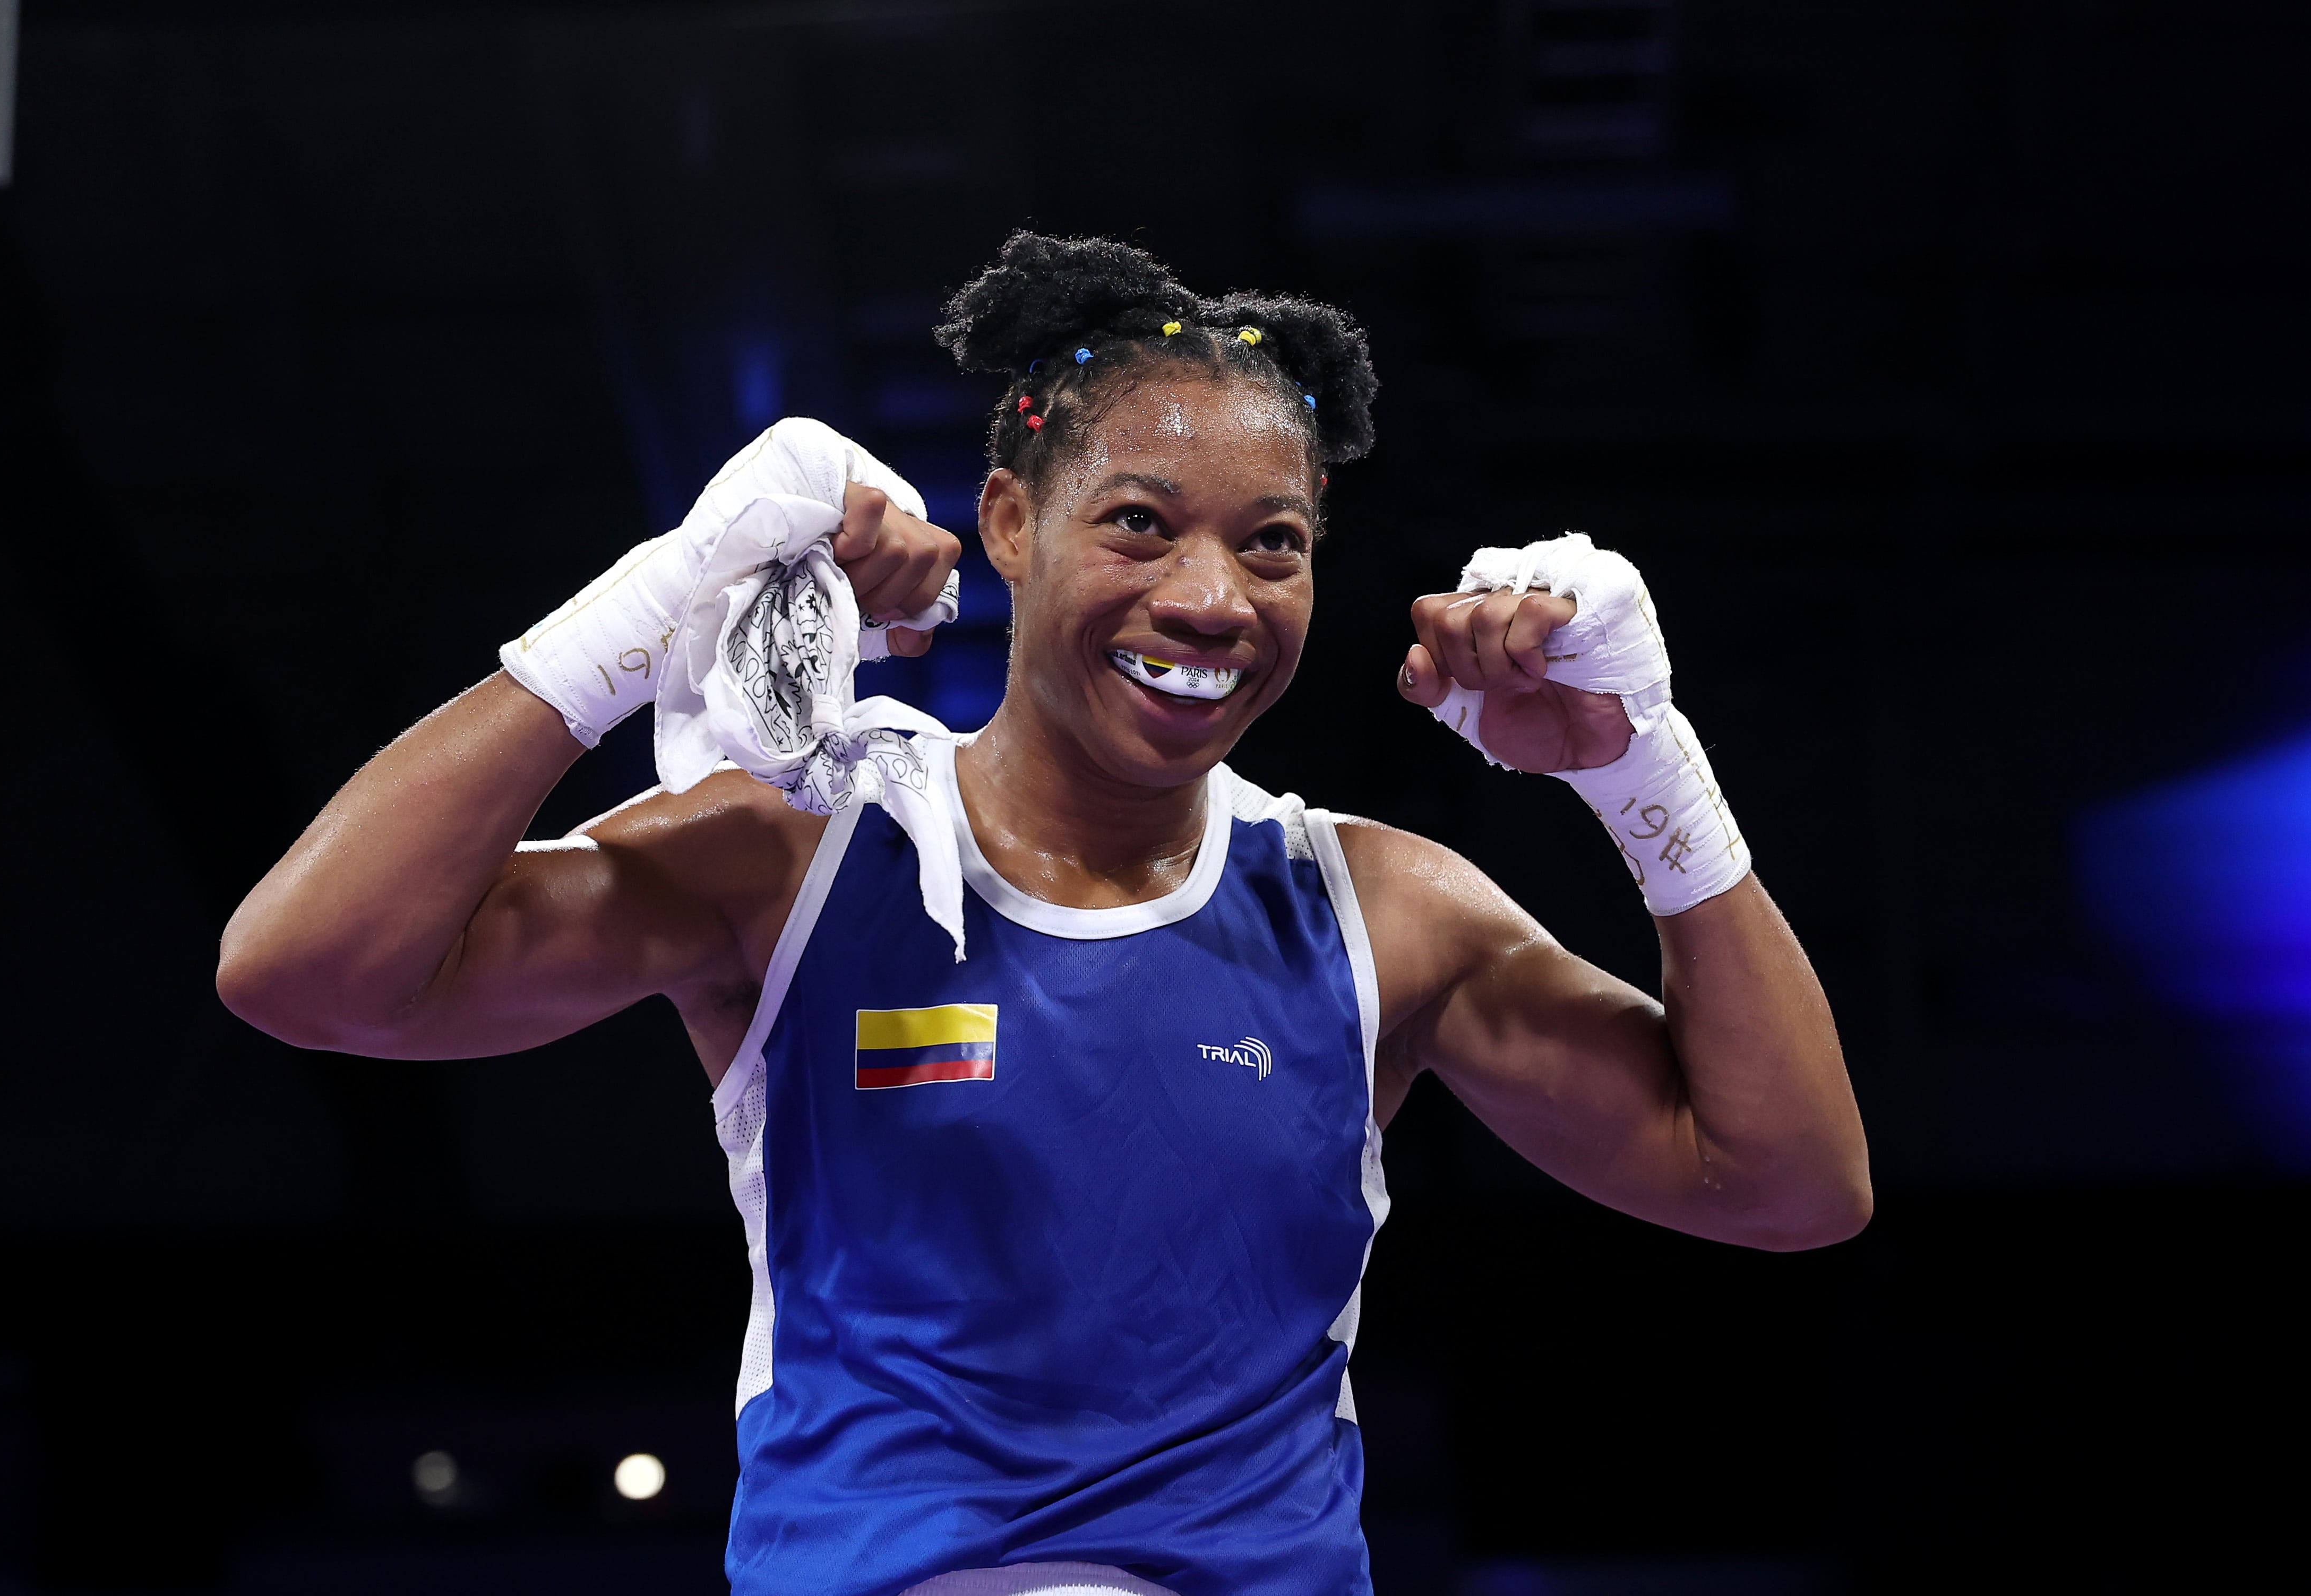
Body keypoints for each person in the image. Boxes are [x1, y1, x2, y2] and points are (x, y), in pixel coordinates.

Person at [218, 232, 1870, 1596]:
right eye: (1140, 524)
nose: (1210, 601)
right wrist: (644, 608)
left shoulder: (1379, 911)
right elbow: (309, 974)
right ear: (1010, 524)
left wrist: (1639, 766)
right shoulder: (796, 859)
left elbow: (1787, 1186)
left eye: (1272, 545)